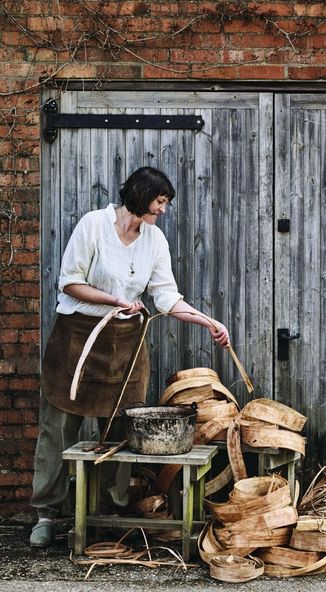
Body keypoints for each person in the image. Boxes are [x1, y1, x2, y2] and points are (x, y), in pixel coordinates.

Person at [30, 166, 230, 548]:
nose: (164, 210)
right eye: (160, 201)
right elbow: (69, 282)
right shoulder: (93, 225)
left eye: (165, 203)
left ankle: (109, 513)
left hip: (126, 345)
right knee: (58, 430)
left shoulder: (154, 240)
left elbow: (167, 298)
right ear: (141, 195)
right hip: (78, 338)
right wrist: (114, 300)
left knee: (122, 433)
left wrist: (208, 321)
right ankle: (46, 514)